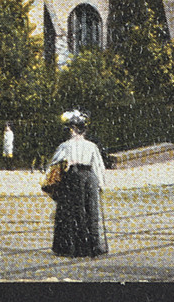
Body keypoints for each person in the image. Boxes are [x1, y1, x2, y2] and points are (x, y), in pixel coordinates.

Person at [46, 109, 107, 258]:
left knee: (72, 212)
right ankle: (91, 246)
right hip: (89, 178)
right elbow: (98, 166)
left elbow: (54, 163)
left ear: (72, 129)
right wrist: (101, 184)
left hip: (73, 178)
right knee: (90, 211)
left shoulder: (65, 146)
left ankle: (70, 246)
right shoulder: (92, 146)